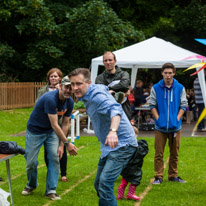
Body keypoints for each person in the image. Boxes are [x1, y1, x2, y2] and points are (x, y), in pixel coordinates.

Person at [69, 68, 138, 206]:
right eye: (72, 84)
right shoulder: (94, 90)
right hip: (108, 146)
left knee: (105, 183)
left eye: (78, 84)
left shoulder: (97, 97)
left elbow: (116, 110)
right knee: (99, 185)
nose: (75, 88)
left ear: (88, 83)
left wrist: (113, 131)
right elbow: (104, 88)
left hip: (123, 144)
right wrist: (109, 92)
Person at [22, 76, 78, 200]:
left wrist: (62, 145)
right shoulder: (50, 99)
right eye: (66, 87)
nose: (68, 90)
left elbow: (65, 123)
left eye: (71, 87)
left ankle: (51, 190)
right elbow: (54, 124)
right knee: (31, 162)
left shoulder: (70, 102)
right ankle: (31, 184)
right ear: (60, 86)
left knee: (54, 157)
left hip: (51, 133)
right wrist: (68, 143)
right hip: (35, 131)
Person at [149, 63, 188, 184]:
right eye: (165, 73)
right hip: (160, 128)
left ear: (174, 73)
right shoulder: (156, 88)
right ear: (162, 73)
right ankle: (158, 176)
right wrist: (158, 118)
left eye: (170, 73)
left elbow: (183, 105)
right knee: (159, 154)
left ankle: (173, 175)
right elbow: (152, 105)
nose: (168, 75)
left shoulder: (180, 87)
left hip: (175, 127)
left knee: (174, 153)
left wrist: (177, 118)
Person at [37, 68, 69, 182]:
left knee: (62, 146)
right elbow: (38, 105)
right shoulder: (42, 91)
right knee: (48, 149)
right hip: (47, 124)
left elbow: (68, 105)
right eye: (51, 76)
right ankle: (50, 170)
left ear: (60, 78)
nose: (53, 78)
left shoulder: (66, 89)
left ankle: (63, 173)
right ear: (48, 78)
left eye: (56, 76)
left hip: (60, 123)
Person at [95, 51, 132, 120]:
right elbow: (100, 93)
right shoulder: (99, 78)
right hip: (107, 112)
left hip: (124, 110)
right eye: (105, 60)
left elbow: (124, 85)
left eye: (110, 60)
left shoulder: (124, 74)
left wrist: (109, 89)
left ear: (115, 61)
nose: (108, 62)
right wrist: (122, 91)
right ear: (103, 62)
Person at [117, 126, 148, 201]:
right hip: (130, 168)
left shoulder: (136, 146)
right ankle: (126, 194)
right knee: (130, 180)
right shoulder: (129, 146)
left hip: (130, 167)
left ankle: (125, 194)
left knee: (129, 180)